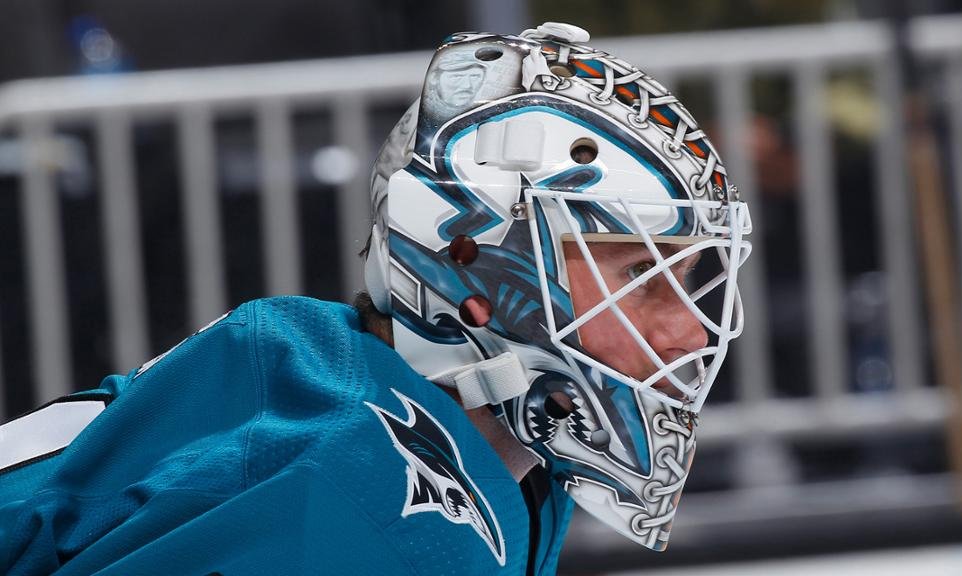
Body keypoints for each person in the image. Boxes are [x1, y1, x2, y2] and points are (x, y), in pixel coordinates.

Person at [0, 22, 751, 575]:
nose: (690, 332)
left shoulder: (316, 355)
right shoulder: (371, 507)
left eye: (689, 281)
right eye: (641, 275)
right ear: (473, 263)